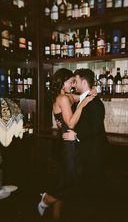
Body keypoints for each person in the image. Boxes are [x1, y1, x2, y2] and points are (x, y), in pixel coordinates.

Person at [37, 68, 95, 217]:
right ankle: (46, 199)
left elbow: (80, 96)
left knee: (65, 181)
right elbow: (70, 124)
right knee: (72, 180)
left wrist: (90, 92)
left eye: (74, 81)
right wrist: (82, 105)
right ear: (63, 82)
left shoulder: (67, 96)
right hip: (67, 144)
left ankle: (55, 216)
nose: (73, 84)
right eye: (71, 82)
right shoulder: (62, 99)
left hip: (68, 142)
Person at [63, 68, 108, 197]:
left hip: (94, 152)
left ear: (83, 82)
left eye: (75, 81)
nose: (73, 84)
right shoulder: (81, 99)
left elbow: (95, 128)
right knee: (84, 188)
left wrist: (75, 135)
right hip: (83, 151)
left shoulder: (95, 103)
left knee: (94, 190)